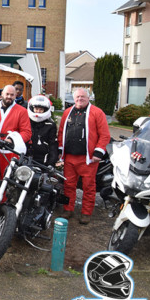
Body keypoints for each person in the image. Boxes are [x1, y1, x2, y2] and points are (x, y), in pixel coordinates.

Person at [58, 88, 110, 225]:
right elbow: (61, 132)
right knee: (68, 185)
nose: (80, 99)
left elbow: (104, 135)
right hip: (69, 157)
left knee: (88, 187)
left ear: (88, 98)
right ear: (74, 99)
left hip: (88, 158)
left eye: (83, 97)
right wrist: (60, 150)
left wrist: (98, 152)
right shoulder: (67, 113)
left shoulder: (97, 112)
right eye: (77, 97)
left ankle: (86, 213)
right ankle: (68, 209)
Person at [0, 85, 32, 211]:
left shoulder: (21, 111)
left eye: (12, 95)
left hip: (9, 150)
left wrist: (12, 140)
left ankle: (4, 208)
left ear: (16, 96)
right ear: (2, 94)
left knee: (7, 180)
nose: (9, 97)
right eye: (7, 94)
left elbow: (27, 132)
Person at [27, 95, 58, 166]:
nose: (38, 111)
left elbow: (53, 144)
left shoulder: (50, 125)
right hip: (27, 157)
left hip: (43, 159)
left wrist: (51, 162)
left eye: (41, 109)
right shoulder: (26, 122)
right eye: (36, 109)